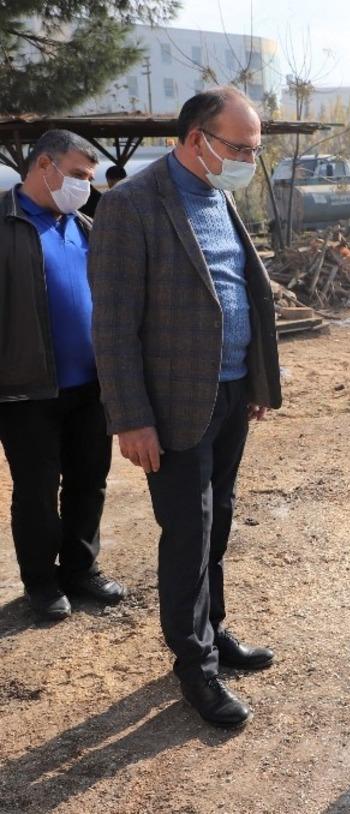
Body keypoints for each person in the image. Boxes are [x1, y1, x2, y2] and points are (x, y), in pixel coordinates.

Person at [89, 87, 282, 728]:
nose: (247, 160)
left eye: (254, 149)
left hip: (229, 394)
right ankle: (193, 667)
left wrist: (252, 380)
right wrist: (130, 418)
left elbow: (238, 291)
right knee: (188, 535)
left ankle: (214, 629)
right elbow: (113, 326)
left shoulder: (218, 195)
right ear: (196, 138)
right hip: (170, 407)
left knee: (218, 520)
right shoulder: (130, 206)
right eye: (239, 147)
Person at [0, 129, 127, 621]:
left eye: (89, 179)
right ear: (44, 166)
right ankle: (40, 581)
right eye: (77, 175)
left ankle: (81, 569)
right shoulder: (5, 221)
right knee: (36, 489)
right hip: (25, 388)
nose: (84, 187)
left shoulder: (86, 226)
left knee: (89, 481)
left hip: (91, 385)